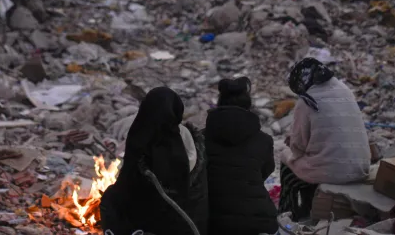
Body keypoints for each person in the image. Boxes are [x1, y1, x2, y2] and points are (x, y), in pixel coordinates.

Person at [100, 87, 208, 235]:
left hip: (155, 221)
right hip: (190, 221)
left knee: (111, 200)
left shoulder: (139, 133)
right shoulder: (188, 137)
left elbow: (128, 180)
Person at [279, 58, 371, 220]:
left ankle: (289, 214)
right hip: (360, 168)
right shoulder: (345, 89)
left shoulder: (307, 101)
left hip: (334, 173)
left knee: (286, 160)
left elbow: (298, 148)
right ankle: (310, 204)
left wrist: (291, 142)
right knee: (312, 159)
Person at [205, 77, 278, 235]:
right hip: (259, 220)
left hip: (212, 221)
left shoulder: (201, 137)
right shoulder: (264, 140)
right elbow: (265, 170)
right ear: (248, 105)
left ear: (220, 103)